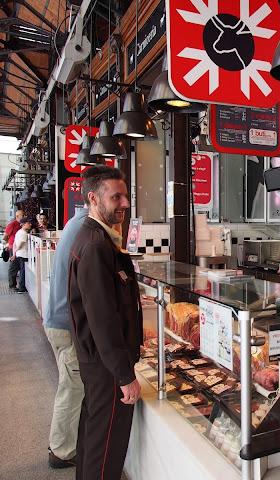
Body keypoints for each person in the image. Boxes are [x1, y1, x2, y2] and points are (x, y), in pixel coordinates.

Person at [68, 166, 142, 480]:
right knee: (106, 451)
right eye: (116, 197)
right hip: (106, 366)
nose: (124, 203)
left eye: (125, 195)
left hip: (97, 361)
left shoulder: (95, 236)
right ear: (93, 199)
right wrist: (124, 375)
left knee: (94, 439)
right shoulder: (96, 245)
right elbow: (102, 318)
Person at [42, 203, 89, 468]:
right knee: (71, 389)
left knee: (70, 385)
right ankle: (61, 452)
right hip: (66, 325)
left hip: (60, 320)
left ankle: (66, 445)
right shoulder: (86, 228)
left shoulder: (74, 223)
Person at [3, 209, 25, 290]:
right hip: (13, 247)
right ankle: (12, 285)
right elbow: (4, 237)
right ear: (17, 216)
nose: (24, 216)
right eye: (23, 215)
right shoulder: (12, 224)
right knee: (14, 266)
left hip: (20, 248)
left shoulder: (22, 224)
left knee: (19, 266)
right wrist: (10, 243)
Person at [11, 216, 32, 293]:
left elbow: (14, 244)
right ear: (23, 224)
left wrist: (14, 254)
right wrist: (16, 251)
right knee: (23, 271)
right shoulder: (24, 233)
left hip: (19, 254)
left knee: (22, 271)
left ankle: (22, 287)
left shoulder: (19, 232)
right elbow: (20, 245)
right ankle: (22, 288)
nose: (30, 224)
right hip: (23, 254)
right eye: (28, 223)